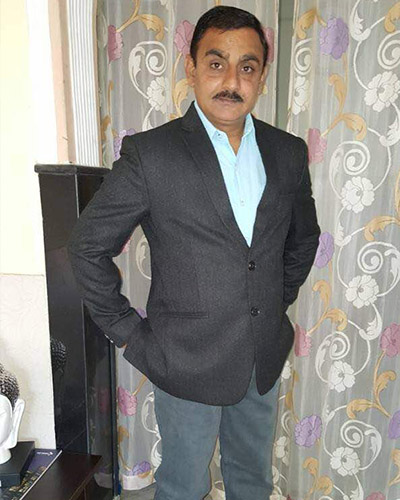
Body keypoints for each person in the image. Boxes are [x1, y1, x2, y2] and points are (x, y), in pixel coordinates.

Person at [67, 6, 320, 499]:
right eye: (216, 63)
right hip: (183, 360)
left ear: (262, 76)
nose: (231, 81)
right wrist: (130, 335)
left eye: (247, 67)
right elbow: (87, 247)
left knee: (253, 480)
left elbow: (302, 239)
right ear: (192, 68)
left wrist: (272, 300)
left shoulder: (288, 152)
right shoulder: (151, 154)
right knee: (183, 485)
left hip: (261, 355)